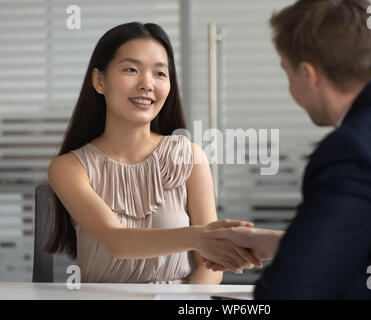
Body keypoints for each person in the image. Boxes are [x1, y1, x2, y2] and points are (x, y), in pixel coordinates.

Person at [203, 0, 371, 299]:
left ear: (309, 74)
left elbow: (283, 295)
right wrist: (281, 243)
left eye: (288, 73)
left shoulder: (353, 150)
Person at [45, 22, 260, 284]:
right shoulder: (69, 168)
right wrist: (199, 236)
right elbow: (117, 241)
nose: (147, 84)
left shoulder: (190, 157)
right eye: (131, 70)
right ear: (99, 81)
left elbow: (210, 268)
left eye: (160, 73)